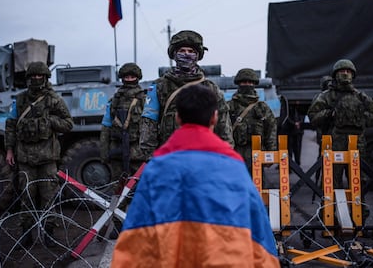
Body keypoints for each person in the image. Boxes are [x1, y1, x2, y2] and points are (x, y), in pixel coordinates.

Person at [111, 84, 279, 267]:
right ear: (215, 117)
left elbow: (134, 238)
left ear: (178, 117)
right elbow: (260, 236)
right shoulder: (233, 167)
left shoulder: (157, 169)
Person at [4, 61, 73, 247]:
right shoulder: (19, 100)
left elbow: (68, 123)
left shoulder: (53, 100)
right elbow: (10, 126)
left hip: (47, 157)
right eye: (33, 76)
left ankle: (48, 235)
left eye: (39, 76)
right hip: (25, 157)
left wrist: (50, 121)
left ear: (45, 77)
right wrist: (9, 150)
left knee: (48, 196)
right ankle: (26, 236)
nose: (36, 79)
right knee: (27, 197)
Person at [139, 30, 234, 160]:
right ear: (174, 54)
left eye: (191, 51)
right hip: (169, 156)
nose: (186, 54)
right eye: (182, 51)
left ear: (198, 55)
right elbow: (149, 122)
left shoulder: (211, 88)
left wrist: (226, 155)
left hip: (204, 157)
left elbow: (223, 126)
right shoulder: (159, 87)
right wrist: (150, 157)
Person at [308, 59, 373, 189]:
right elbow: (313, 117)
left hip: (358, 144)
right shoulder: (326, 96)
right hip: (335, 143)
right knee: (332, 181)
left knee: (358, 181)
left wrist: (360, 118)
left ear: (353, 75)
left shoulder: (360, 96)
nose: (345, 74)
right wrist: (329, 114)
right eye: (342, 71)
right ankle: (329, 209)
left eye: (348, 71)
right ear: (335, 74)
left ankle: (360, 209)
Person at [100, 63, 145, 190]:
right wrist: (104, 152)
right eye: (126, 77)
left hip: (137, 151)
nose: (129, 80)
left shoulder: (144, 99)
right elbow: (106, 126)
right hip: (118, 149)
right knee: (118, 186)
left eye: (132, 77)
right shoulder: (115, 99)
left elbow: (151, 126)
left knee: (139, 186)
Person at [227, 68, 277, 173]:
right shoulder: (229, 106)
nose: (247, 84)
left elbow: (271, 129)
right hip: (235, 152)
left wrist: (270, 153)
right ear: (238, 83)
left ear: (254, 84)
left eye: (250, 82)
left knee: (257, 186)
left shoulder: (262, 107)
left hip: (257, 153)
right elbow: (221, 129)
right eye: (244, 82)